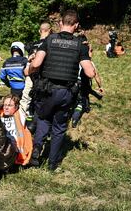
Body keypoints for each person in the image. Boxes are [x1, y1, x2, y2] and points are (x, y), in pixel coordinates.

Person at [27, 10, 95, 171]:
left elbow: (36, 64)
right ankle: (52, 163)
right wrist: (87, 56)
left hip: (47, 90)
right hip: (66, 93)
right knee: (59, 128)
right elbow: (90, 73)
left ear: (60, 23)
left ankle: (37, 149)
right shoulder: (80, 45)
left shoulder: (49, 40)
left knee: (43, 119)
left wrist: (29, 70)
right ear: (77, 26)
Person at [22, 22, 52, 119]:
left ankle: (24, 122)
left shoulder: (32, 45)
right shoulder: (51, 43)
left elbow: (29, 61)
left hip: (31, 74)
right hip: (45, 76)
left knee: (26, 100)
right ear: (50, 30)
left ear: (39, 31)